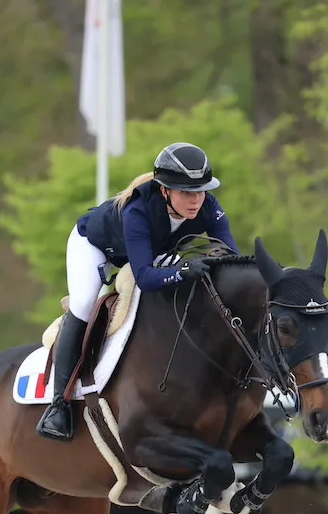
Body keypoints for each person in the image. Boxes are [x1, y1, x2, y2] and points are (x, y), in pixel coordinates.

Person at [37, 143, 240, 442]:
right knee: (83, 304)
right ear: (164, 191)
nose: (196, 200)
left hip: (151, 252)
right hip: (95, 248)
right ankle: (59, 405)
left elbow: (232, 257)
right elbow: (144, 277)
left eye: (201, 191)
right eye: (186, 192)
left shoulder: (209, 207)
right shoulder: (138, 211)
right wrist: (184, 270)